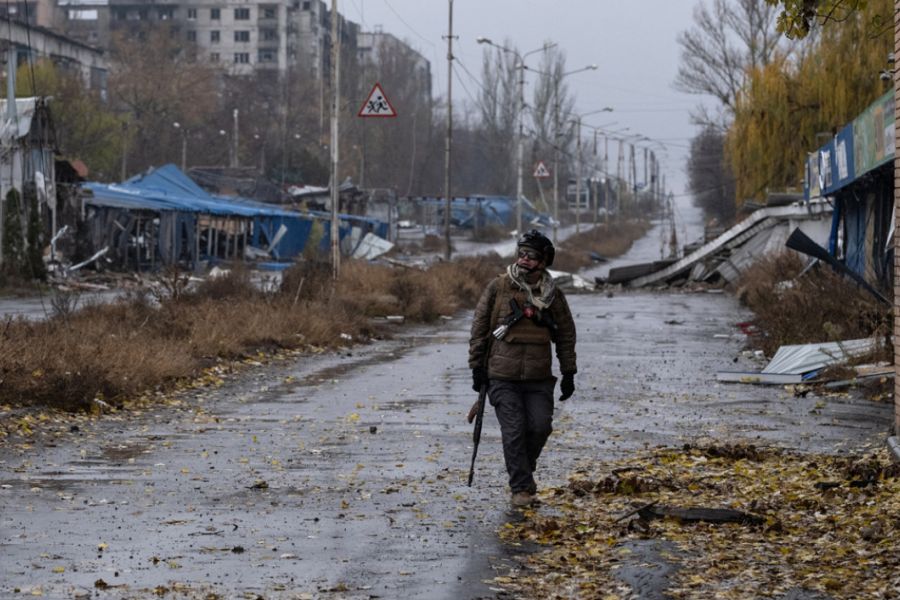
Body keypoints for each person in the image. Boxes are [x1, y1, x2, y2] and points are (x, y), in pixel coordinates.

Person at [468, 229, 577, 507]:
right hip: (501, 377)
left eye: (532, 256)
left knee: (540, 427)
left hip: (539, 378)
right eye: (522, 253)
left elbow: (565, 333)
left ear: (544, 261)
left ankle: (523, 471)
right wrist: (477, 369)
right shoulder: (499, 287)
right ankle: (521, 489)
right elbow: (479, 328)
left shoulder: (552, 295)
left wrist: (568, 372)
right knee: (514, 431)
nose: (525, 260)